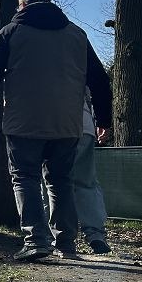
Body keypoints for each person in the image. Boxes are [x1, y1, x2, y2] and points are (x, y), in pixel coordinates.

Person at [0, 0, 111, 262]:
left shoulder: (12, 32)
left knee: (25, 178)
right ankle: (66, 242)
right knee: (61, 181)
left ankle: (36, 240)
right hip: (67, 122)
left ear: (22, 4)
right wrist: (104, 118)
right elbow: (99, 79)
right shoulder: (76, 34)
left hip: (24, 121)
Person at [42, 96, 111, 255]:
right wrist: (102, 121)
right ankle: (96, 234)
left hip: (46, 125)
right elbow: (97, 86)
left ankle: (52, 235)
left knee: (51, 183)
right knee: (86, 183)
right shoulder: (80, 68)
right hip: (82, 123)